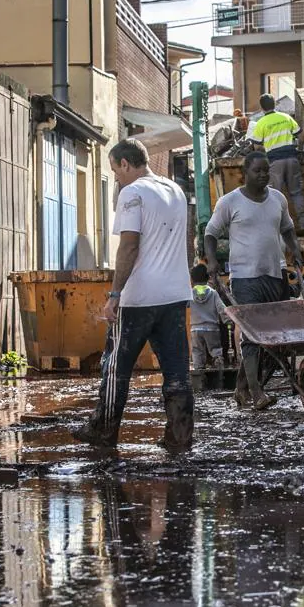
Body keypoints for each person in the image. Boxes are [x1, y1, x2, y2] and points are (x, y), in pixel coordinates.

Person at [71, 139, 194, 453]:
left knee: (116, 368)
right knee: (177, 371)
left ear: (125, 164)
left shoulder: (133, 193)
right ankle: (179, 437)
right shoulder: (175, 190)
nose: (115, 178)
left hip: (139, 298)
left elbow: (129, 246)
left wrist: (115, 294)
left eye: (115, 170)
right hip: (175, 295)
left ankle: (103, 430)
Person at [204, 150, 304, 411]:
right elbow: (210, 233)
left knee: (270, 336)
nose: (263, 175)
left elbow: (288, 228)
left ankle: (240, 388)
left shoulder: (278, 199)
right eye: (257, 170)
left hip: (275, 274)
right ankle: (257, 392)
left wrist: (296, 249)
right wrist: (212, 260)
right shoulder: (230, 202)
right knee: (250, 336)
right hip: (245, 278)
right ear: (244, 173)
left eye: (266, 170)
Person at [249, 94, 304, 235]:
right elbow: (301, 136)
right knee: (296, 192)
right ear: (275, 104)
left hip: (275, 162)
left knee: (274, 195)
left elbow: (257, 148)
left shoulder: (261, 123)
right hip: (292, 159)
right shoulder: (286, 118)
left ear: (261, 107)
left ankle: (276, 227)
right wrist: (300, 149)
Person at [189, 264, 228, 370]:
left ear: (192, 279)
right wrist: (228, 320)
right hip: (212, 328)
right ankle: (219, 370)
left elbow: (183, 305)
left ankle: (199, 373)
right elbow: (222, 309)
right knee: (215, 350)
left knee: (197, 351)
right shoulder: (213, 293)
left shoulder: (190, 294)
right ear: (208, 278)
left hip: (195, 329)